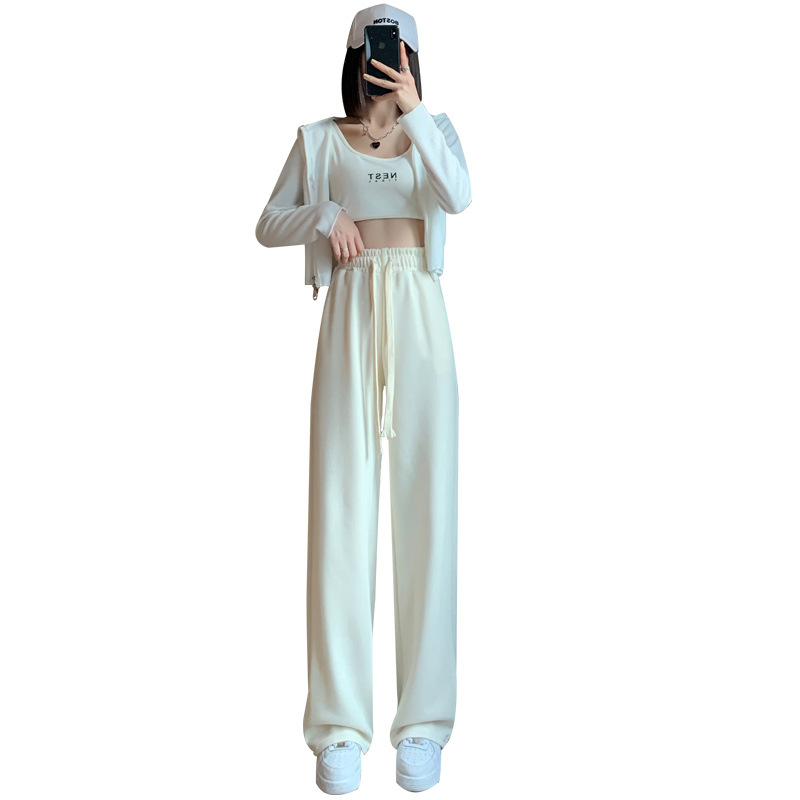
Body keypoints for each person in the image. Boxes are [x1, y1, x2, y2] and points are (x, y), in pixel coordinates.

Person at [255, 5, 471, 793]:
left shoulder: (435, 132)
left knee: (427, 511)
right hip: (349, 307)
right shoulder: (318, 140)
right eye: (381, 48)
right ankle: (339, 728)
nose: (392, 58)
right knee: (341, 508)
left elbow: (461, 196)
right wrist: (324, 212)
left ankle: (424, 725)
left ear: (414, 58)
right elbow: (267, 223)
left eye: (403, 49)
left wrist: (417, 113)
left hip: (419, 310)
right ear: (356, 55)